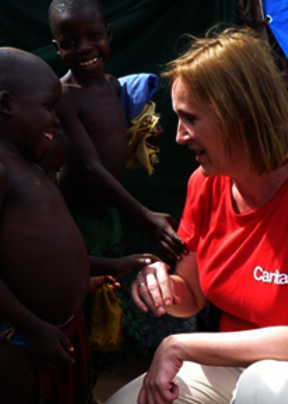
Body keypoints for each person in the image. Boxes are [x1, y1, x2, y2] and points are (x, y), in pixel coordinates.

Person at [95, 28, 288, 404]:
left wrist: (177, 345)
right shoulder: (205, 184)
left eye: (190, 118)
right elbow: (193, 295)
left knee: (266, 394)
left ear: (238, 113)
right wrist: (162, 287)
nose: (180, 136)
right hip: (242, 369)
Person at [0, 47, 154, 404]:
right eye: (48, 107)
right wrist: (32, 327)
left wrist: (113, 265)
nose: (54, 119)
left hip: (55, 330)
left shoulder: (34, 169)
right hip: (19, 337)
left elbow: (49, 254)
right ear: (7, 104)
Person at [48, 0, 186, 260]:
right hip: (75, 215)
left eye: (94, 36)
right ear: (57, 48)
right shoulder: (65, 97)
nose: (84, 47)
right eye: (70, 42)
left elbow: (113, 138)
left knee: (108, 286)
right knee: (80, 281)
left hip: (107, 210)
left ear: (108, 34)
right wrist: (145, 216)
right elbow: (90, 166)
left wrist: (145, 137)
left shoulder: (112, 86)